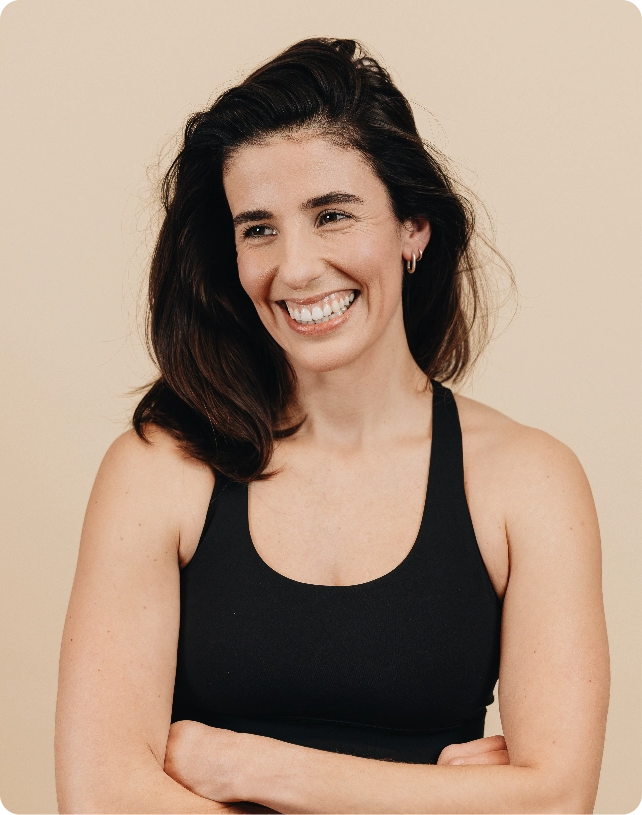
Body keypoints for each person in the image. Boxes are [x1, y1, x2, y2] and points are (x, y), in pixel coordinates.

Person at [54, 38, 609, 815]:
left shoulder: (531, 480)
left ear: (413, 226)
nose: (298, 267)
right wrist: (446, 799)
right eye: (259, 228)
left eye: (332, 214)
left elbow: (555, 803)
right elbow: (102, 797)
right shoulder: (158, 468)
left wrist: (256, 768)